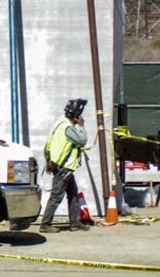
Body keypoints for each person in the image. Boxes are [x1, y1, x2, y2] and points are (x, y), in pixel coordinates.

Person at [39, 99, 91, 233]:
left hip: (59, 165)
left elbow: (48, 144)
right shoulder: (68, 128)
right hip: (64, 168)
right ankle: (45, 224)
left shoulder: (59, 123)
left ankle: (75, 224)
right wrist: (81, 126)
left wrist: (49, 161)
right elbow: (82, 141)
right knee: (56, 196)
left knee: (73, 194)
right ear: (76, 116)